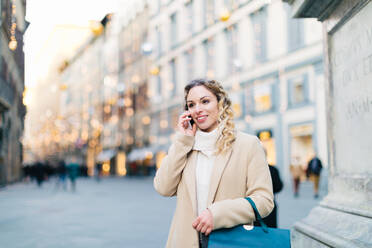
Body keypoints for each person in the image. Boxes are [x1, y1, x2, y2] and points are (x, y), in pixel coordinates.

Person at [154, 79, 274, 248]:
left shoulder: (247, 145)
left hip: (230, 241)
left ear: (220, 103)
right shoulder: (185, 146)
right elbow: (163, 187)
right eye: (191, 105)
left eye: (205, 101)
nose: (198, 109)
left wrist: (217, 213)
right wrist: (182, 141)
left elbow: (264, 200)